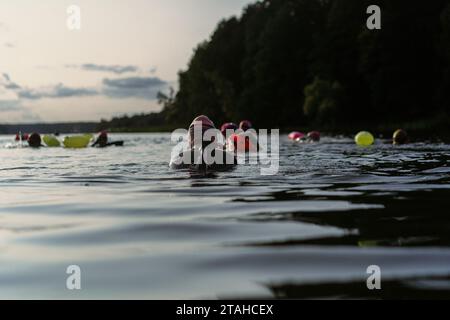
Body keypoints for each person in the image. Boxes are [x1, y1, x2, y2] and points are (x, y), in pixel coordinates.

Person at [170, 115, 236, 170]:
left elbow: (173, 168)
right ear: (213, 138)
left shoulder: (178, 159)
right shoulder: (229, 157)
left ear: (190, 138)